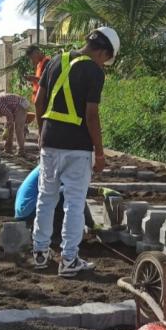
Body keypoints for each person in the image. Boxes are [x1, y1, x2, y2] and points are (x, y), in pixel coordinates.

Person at [32, 26, 120, 277]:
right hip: (77, 146)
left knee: (46, 196)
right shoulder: (94, 71)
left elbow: (39, 102)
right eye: (106, 58)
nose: (104, 62)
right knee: (74, 202)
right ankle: (69, 259)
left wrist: (41, 132)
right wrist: (100, 153)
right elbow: (92, 115)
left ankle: (40, 252)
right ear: (103, 51)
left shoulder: (55, 61)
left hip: (50, 140)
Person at [16, 166, 95, 235]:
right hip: (30, 210)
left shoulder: (50, 163)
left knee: (66, 195)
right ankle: (57, 236)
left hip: (23, 211)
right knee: (72, 194)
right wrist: (91, 224)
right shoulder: (56, 167)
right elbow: (74, 189)